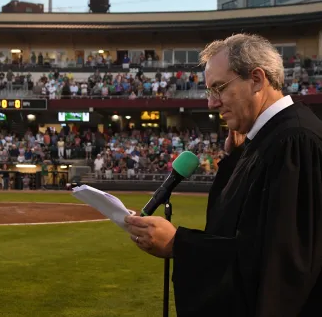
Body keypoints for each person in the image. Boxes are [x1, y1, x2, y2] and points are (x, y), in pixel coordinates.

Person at [125, 33, 322, 316]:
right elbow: (231, 224)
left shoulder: (295, 141)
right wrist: (234, 159)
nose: (212, 103)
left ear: (256, 79)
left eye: (219, 88)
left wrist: (179, 244)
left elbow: (278, 267)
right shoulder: (268, 138)